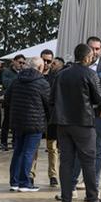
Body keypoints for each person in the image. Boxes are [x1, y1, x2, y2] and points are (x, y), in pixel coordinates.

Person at [52, 43, 101, 202]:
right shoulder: (90, 74)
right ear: (87, 57)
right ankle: (92, 198)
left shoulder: (61, 74)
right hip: (83, 122)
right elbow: (99, 98)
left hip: (63, 123)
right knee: (88, 161)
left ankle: (66, 201)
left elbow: (51, 97)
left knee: (66, 162)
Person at [6, 55, 50, 193]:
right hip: (35, 122)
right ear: (40, 67)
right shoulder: (42, 83)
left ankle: (14, 182)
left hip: (18, 121)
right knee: (28, 152)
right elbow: (49, 104)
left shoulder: (16, 80)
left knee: (18, 151)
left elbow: (7, 98)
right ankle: (25, 183)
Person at [41, 50, 63, 186]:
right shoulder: (35, 74)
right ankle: (30, 175)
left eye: (49, 61)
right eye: (44, 60)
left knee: (52, 147)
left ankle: (53, 175)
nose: (46, 63)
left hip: (51, 116)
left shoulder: (56, 77)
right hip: (37, 115)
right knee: (33, 148)